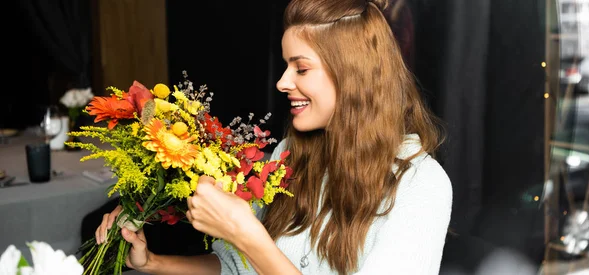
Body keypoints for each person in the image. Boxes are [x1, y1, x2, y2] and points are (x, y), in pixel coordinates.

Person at [95, 0, 452, 274]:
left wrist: (247, 234)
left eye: (301, 68)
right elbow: (238, 268)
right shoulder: (291, 155)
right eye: (285, 66)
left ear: (352, 76)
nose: (282, 82)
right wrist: (153, 263)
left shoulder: (421, 185)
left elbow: (253, 251)